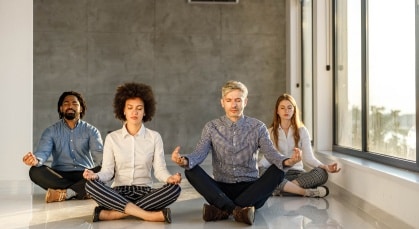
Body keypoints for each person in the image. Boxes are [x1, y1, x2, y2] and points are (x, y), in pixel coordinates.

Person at [171, 80, 302, 225]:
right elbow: (199, 153)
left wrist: (288, 161)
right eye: (229, 100)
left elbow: (271, 153)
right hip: (221, 189)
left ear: (245, 102)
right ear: (222, 102)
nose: (233, 105)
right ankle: (238, 211)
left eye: (238, 100)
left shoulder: (258, 127)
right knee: (190, 170)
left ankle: (222, 210)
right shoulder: (211, 127)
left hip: (251, 191)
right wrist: (185, 160)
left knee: (279, 170)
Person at [83, 82, 181, 223]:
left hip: (144, 193)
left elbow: (160, 170)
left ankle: (111, 214)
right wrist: (95, 176)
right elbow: (108, 172)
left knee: (175, 189)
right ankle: (147, 215)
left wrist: (169, 179)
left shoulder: (154, 137)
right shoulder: (112, 138)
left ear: (145, 111)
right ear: (123, 110)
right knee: (90, 185)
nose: (134, 112)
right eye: (130, 108)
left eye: (139, 108)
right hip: (117, 193)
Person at [22, 91, 103, 203]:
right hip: (59, 176)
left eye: (75, 103)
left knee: (106, 169)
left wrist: (109, 163)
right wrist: (35, 160)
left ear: (81, 109)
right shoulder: (51, 131)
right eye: (66, 103)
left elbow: (99, 154)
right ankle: (81, 190)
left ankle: (64, 193)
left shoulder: (91, 131)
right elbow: (42, 153)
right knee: (35, 171)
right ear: (61, 109)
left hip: (84, 174)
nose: (70, 106)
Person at [258, 93, 341, 197]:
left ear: (294, 110)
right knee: (259, 171)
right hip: (277, 174)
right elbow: (268, 158)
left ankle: (282, 189)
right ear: (277, 111)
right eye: (282, 108)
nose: (286, 111)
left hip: (297, 175)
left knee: (322, 173)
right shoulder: (269, 132)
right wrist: (257, 167)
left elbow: (309, 158)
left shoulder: (302, 131)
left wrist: (325, 166)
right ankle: (306, 192)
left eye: (289, 108)